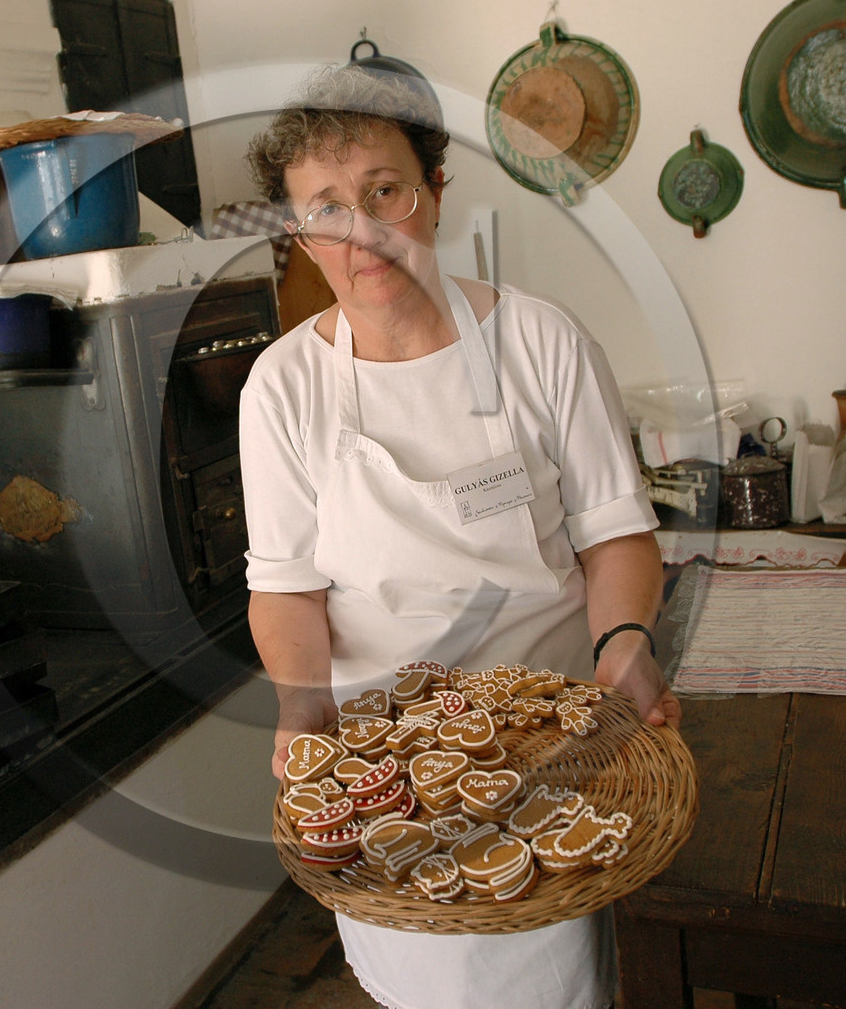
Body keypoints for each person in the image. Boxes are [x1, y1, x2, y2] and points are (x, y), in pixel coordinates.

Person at [238, 65, 679, 1009]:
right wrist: (301, 705)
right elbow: (284, 586)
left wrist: (624, 641)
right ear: (299, 235)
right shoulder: (282, 386)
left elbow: (615, 536)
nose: (361, 231)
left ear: (435, 190)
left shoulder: (543, 342)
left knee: (566, 980)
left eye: (384, 192)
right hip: (388, 773)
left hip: (554, 753)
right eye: (327, 208)